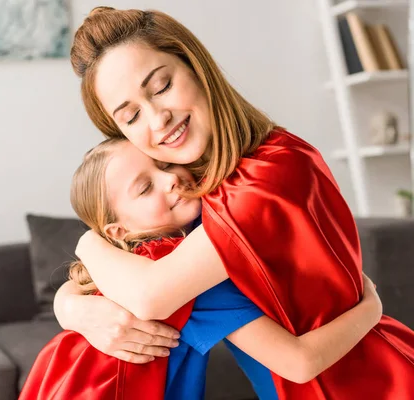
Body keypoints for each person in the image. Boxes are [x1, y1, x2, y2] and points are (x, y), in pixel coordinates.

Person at [54, 6, 414, 399]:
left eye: (161, 87)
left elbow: (149, 295)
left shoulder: (269, 176)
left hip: (376, 385)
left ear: (196, 67)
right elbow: (115, 282)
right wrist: (71, 308)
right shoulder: (195, 189)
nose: (158, 119)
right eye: (132, 115)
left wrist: (88, 242)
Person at [21, 138, 382, 400]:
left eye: (163, 165)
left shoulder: (118, 261)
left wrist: (71, 293)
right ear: (118, 231)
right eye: (145, 187)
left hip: (54, 379)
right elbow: (299, 363)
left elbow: (75, 288)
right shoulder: (182, 271)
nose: (170, 180)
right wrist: (371, 308)